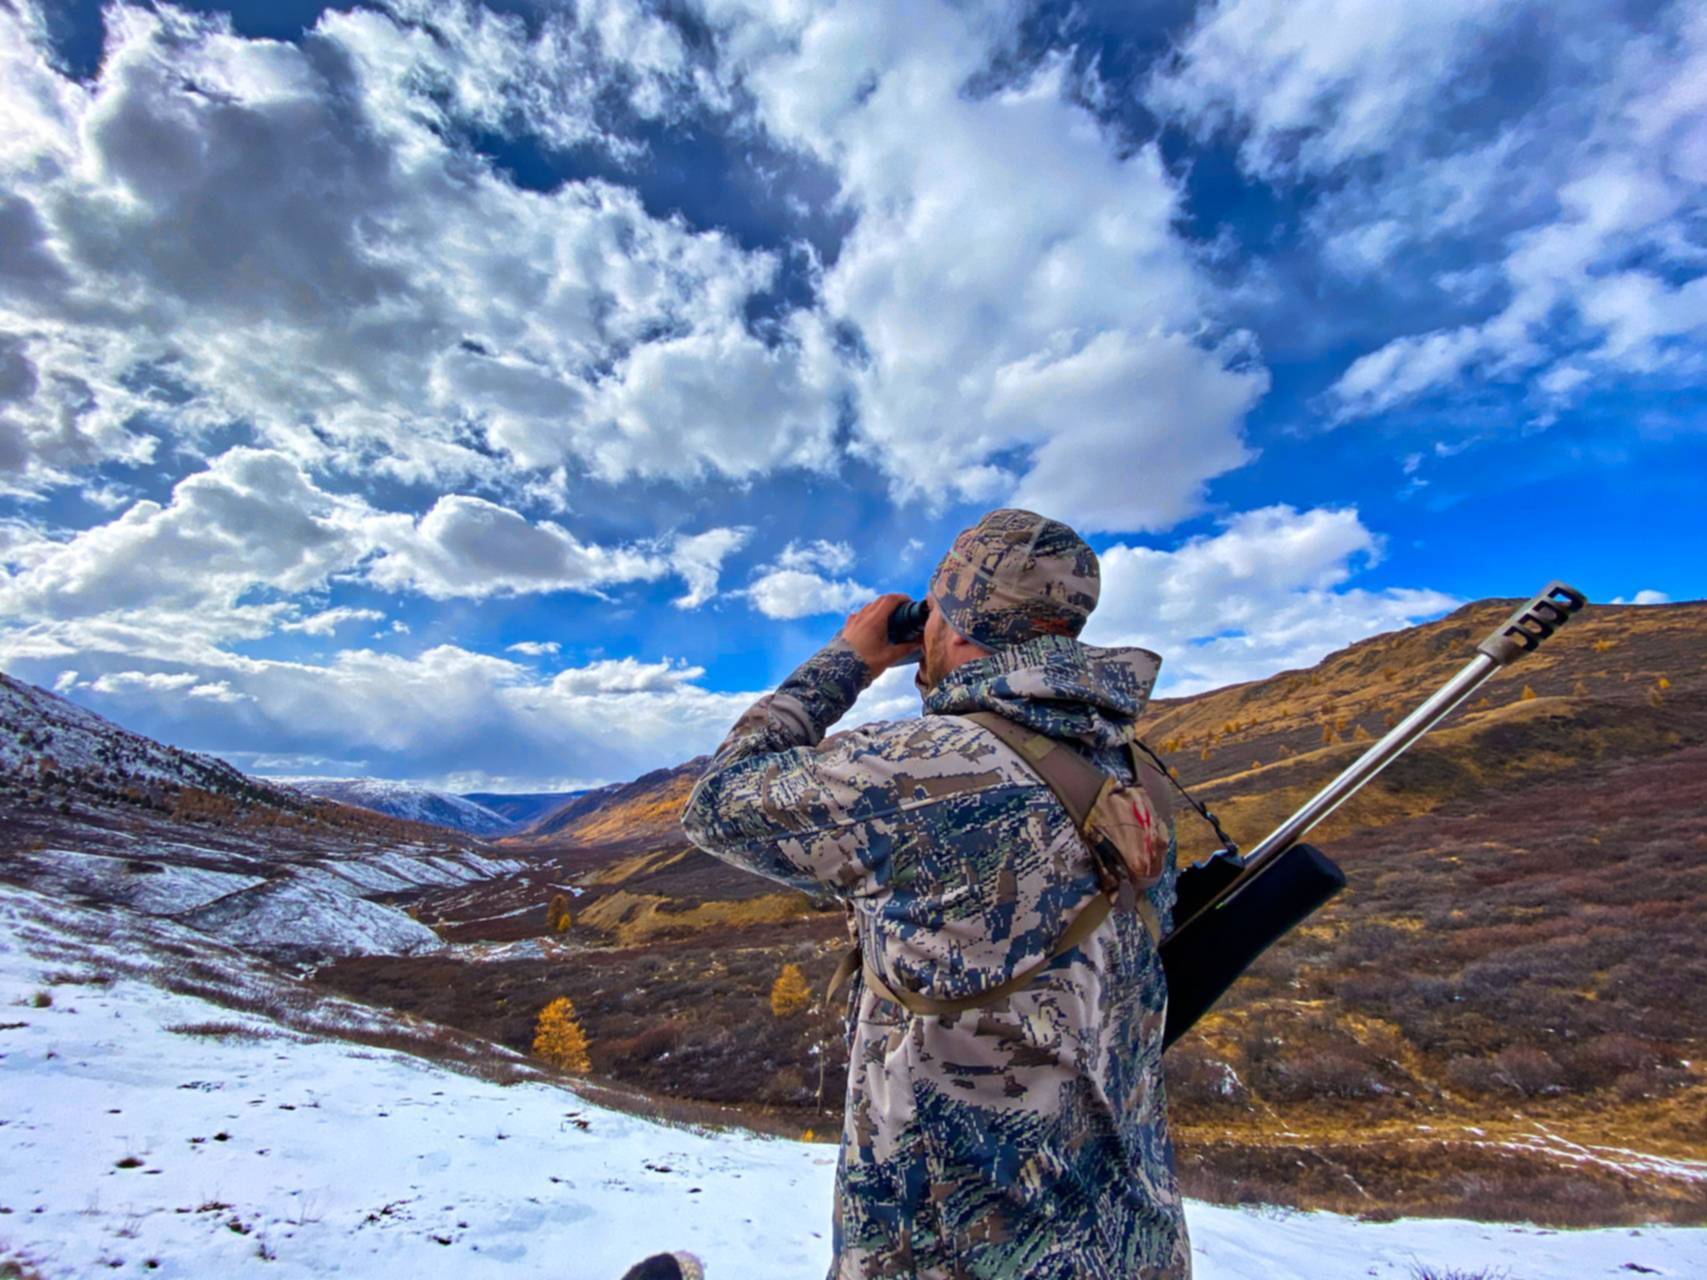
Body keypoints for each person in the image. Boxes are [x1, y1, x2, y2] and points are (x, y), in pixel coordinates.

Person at [680, 508, 1190, 1280]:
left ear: (945, 621)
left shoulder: (922, 773)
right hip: (1131, 1240)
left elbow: (716, 804)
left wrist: (845, 661)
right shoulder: (1128, 771)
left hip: (959, 1253)